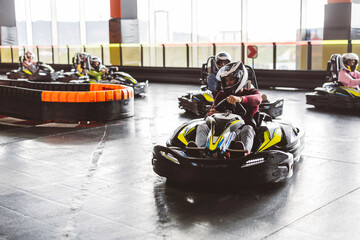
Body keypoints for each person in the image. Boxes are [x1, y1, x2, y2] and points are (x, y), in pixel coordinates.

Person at [191, 61, 262, 155]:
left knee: (248, 129)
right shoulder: (222, 95)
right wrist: (211, 113)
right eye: (226, 80)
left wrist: (240, 99)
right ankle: (200, 151)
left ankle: (243, 152)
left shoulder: (251, 92)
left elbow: (257, 99)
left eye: (231, 79)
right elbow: (210, 113)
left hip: (239, 130)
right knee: (202, 126)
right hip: (220, 128)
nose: (228, 83)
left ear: (240, 78)